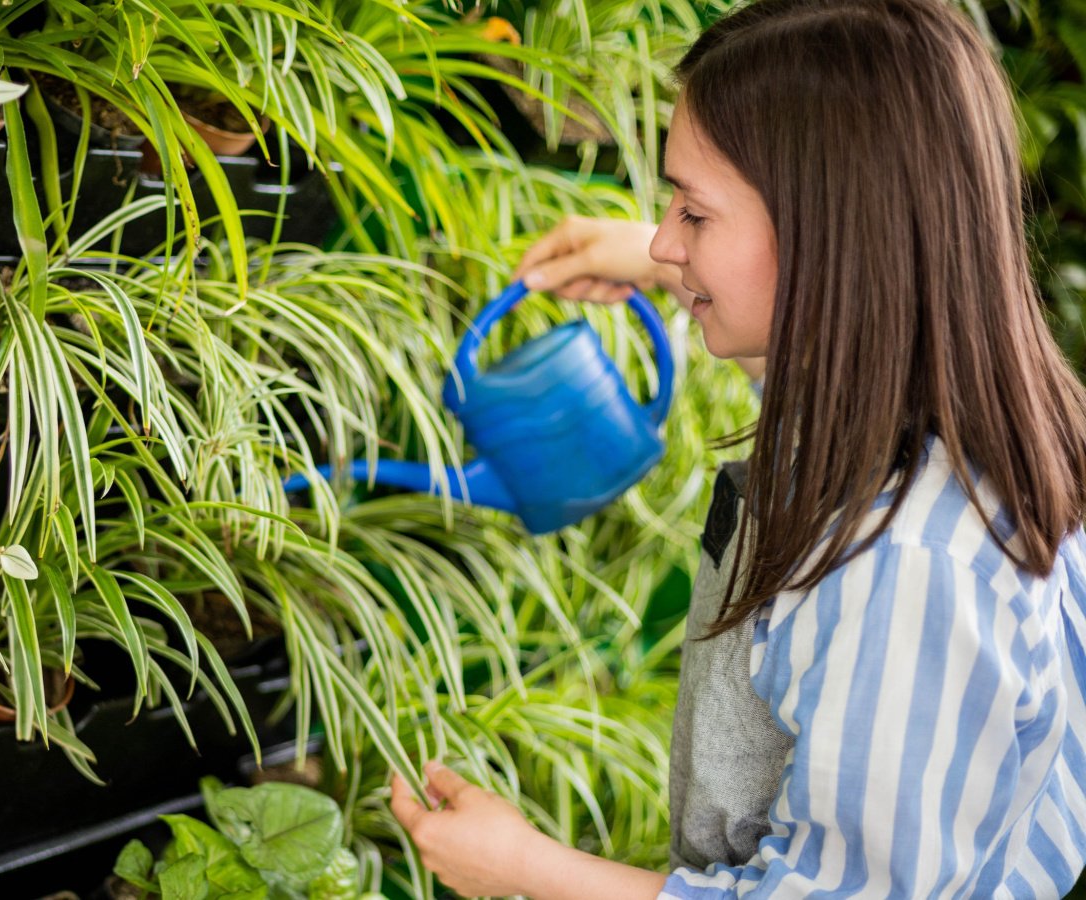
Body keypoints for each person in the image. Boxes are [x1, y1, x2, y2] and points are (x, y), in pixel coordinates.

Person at [387, 0, 1086, 897]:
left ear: (829, 242)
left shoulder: (911, 568)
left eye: (695, 213)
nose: (667, 239)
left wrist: (528, 868)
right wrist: (656, 262)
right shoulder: (926, 408)